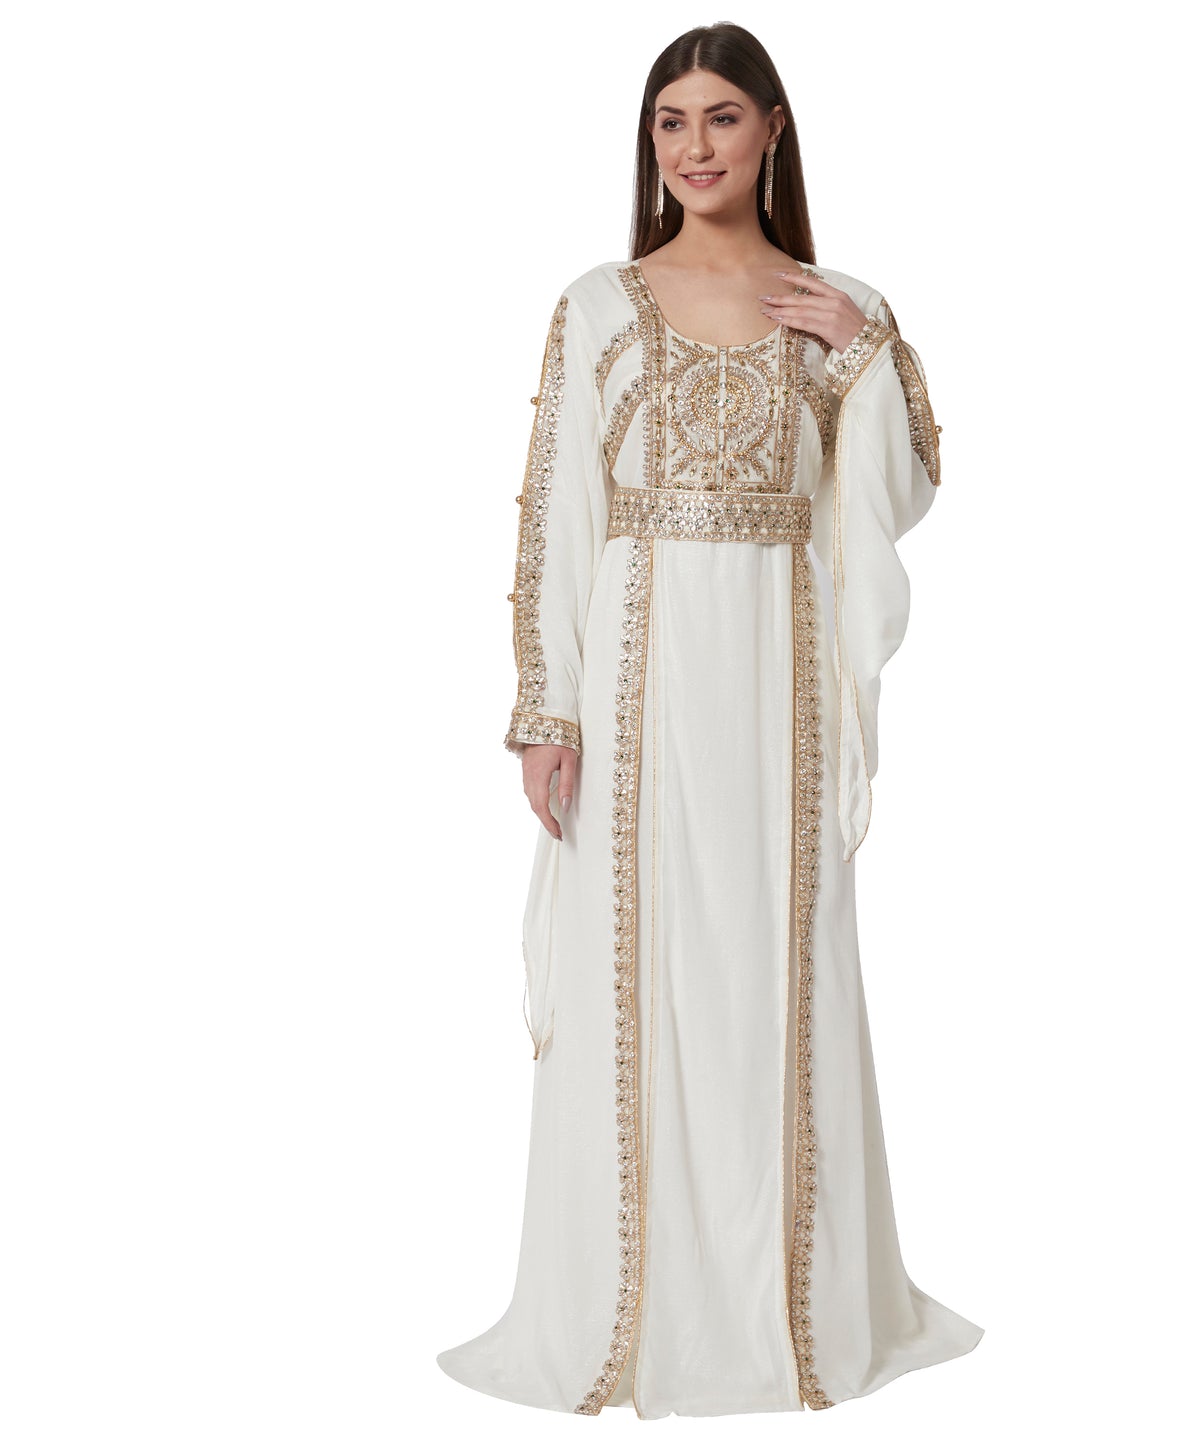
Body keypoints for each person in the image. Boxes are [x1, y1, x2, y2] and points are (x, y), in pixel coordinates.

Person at [436, 21, 983, 1420]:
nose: (694, 146)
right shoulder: (597, 305)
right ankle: (633, 1314)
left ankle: (792, 1312)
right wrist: (544, 710)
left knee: (779, 958)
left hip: (779, 681)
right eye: (670, 121)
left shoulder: (837, 305)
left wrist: (872, 353)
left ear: (773, 131)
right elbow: (556, 511)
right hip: (635, 681)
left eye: (722, 117)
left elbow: (903, 490)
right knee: (633, 963)